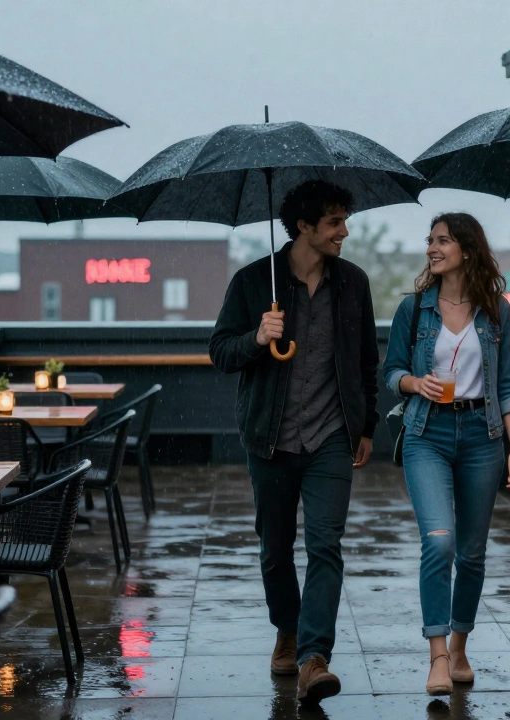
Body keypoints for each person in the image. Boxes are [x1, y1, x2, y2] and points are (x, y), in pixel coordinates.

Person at [208, 179, 379, 703]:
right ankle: (287, 627)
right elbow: (219, 351)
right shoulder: (254, 281)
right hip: (271, 439)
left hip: (331, 436)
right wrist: (257, 339)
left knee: (326, 546)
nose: (343, 232)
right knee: (275, 551)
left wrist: (367, 426)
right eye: (334, 222)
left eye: (344, 221)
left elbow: (367, 361)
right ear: (304, 226)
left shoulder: (353, 283)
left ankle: (313, 657)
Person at [382, 212, 510, 696]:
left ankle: (461, 645)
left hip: (483, 437)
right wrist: (412, 382)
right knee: (439, 543)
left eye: (441, 240)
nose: (432, 248)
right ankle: (438, 654)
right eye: (430, 240)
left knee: (472, 552)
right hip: (428, 432)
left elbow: (508, 385)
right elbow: (390, 372)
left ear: (466, 247)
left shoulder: (496, 309)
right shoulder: (415, 309)